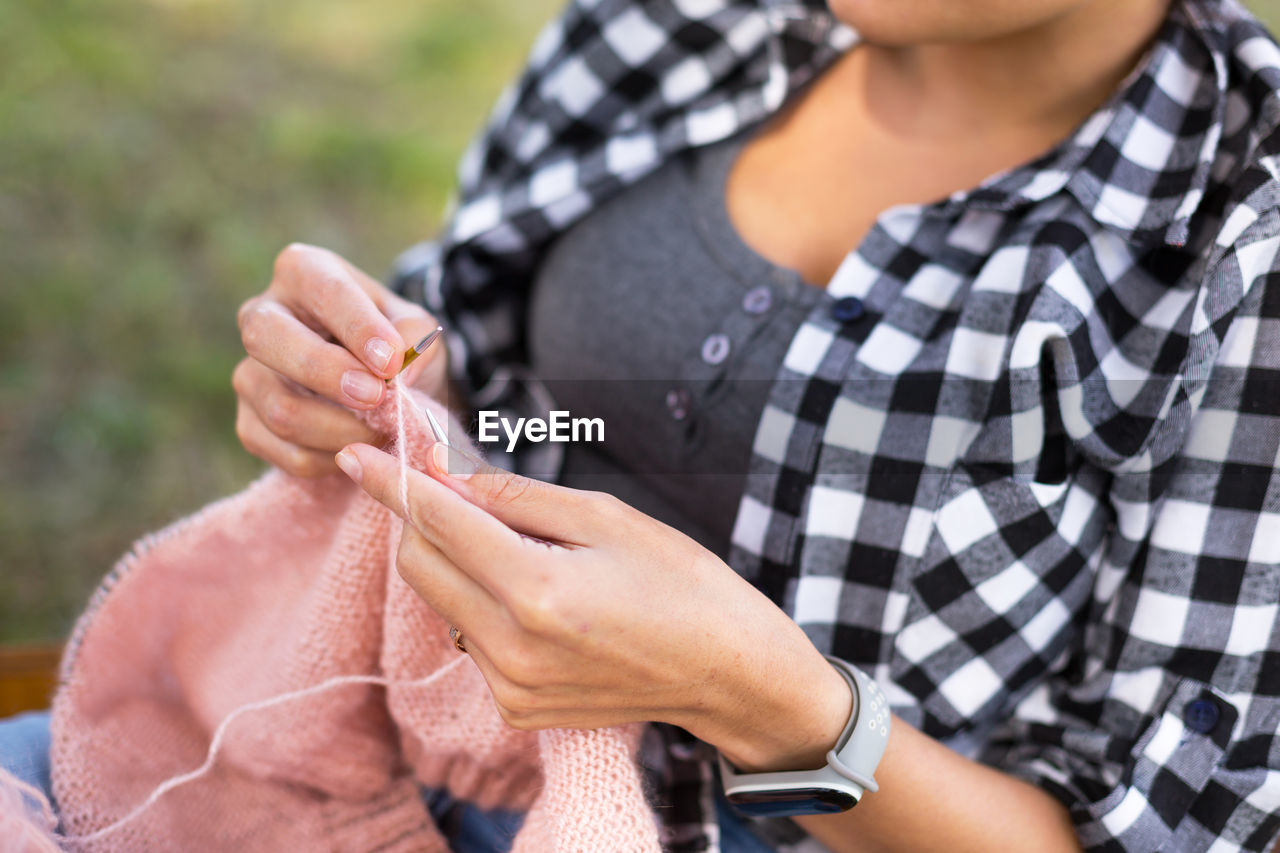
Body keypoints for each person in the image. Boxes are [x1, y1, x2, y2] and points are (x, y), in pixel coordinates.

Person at [5, 0, 1280, 850]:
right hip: (369, 733)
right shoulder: (679, 22)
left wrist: (779, 713)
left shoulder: (1237, 235)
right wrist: (375, 388)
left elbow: (1176, 827)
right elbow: (509, 394)